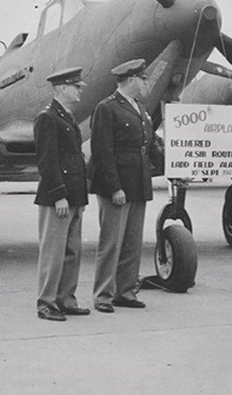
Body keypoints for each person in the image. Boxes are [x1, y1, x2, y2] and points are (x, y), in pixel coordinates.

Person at [89, 58, 163, 313]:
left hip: (138, 184)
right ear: (130, 80)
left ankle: (126, 291)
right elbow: (102, 151)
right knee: (111, 243)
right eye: (143, 79)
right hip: (117, 187)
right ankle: (103, 295)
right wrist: (114, 188)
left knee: (133, 242)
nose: (146, 84)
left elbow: (151, 145)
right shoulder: (106, 108)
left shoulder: (140, 108)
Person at [33, 67, 90, 321]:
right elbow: (47, 161)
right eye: (76, 87)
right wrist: (58, 195)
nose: (80, 91)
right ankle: (46, 303)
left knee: (72, 252)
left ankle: (66, 299)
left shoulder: (67, 117)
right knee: (53, 253)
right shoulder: (48, 118)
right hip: (59, 198)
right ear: (62, 88)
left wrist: (79, 197)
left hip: (74, 197)